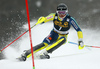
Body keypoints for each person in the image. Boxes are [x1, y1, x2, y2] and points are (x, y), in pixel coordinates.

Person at [18, 3, 84, 61]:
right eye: (59, 13)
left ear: (66, 12)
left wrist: (80, 40)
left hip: (63, 36)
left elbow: (78, 30)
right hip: (53, 34)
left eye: (63, 13)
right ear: (57, 12)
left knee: (63, 40)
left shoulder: (70, 19)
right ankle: (26, 53)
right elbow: (45, 19)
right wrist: (42, 20)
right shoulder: (53, 16)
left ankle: (45, 53)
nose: (61, 15)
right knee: (44, 44)